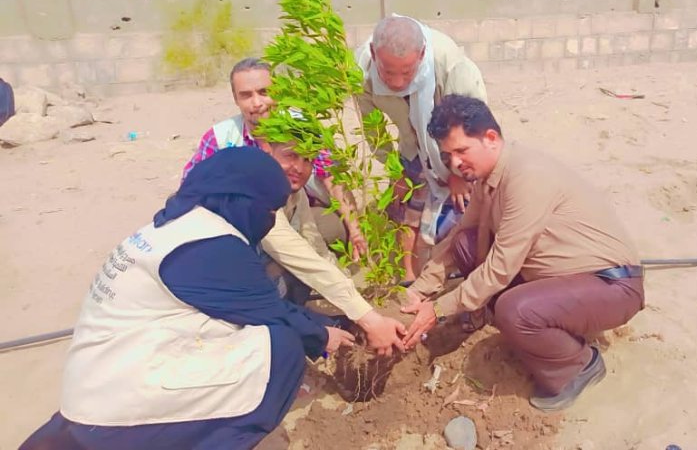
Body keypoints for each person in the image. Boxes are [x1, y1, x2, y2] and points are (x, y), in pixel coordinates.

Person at [21, 147, 355, 450]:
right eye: (268, 208)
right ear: (241, 200)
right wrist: (326, 335)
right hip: (115, 407)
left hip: (94, 383)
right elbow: (275, 315)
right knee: (281, 347)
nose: (270, 219)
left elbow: (254, 305)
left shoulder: (182, 223)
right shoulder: (211, 247)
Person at [400, 95, 645, 412]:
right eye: (448, 156)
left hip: (612, 287)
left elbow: (501, 268)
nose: (456, 163)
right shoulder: (488, 178)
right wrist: (420, 290)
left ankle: (579, 365)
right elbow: (458, 238)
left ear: (490, 138)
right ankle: (505, 315)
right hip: (558, 278)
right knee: (466, 243)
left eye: (462, 151)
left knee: (514, 310)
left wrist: (438, 308)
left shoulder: (527, 176)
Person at [182, 57, 366, 259]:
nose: (257, 103)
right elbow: (190, 188)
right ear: (235, 99)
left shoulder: (302, 128)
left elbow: (332, 179)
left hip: (302, 213)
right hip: (244, 223)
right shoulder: (220, 138)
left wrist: (356, 232)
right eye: (246, 95)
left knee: (332, 228)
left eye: (264, 92)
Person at [356, 15, 487, 281]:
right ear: (373, 53)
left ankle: (459, 269)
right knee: (405, 210)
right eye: (388, 72)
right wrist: (395, 168)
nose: (397, 82)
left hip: (454, 151)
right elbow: (373, 129)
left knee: (463, 216)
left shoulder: (450, 65)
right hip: (412, 150)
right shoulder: (361, 70)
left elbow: (473, 126)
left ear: (422, 54)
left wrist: (457, 173)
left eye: (407, 72)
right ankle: (408, 274)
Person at [259, 139, 407, 356]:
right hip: (230, 296)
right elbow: (307, 264)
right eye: (290, 156)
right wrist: (368, 318)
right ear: (267, 151)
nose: (299, 168)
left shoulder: (296, 194)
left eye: (308, 159)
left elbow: (315, 246)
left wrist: (353, 299)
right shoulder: (262, 199)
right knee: (286, 276)